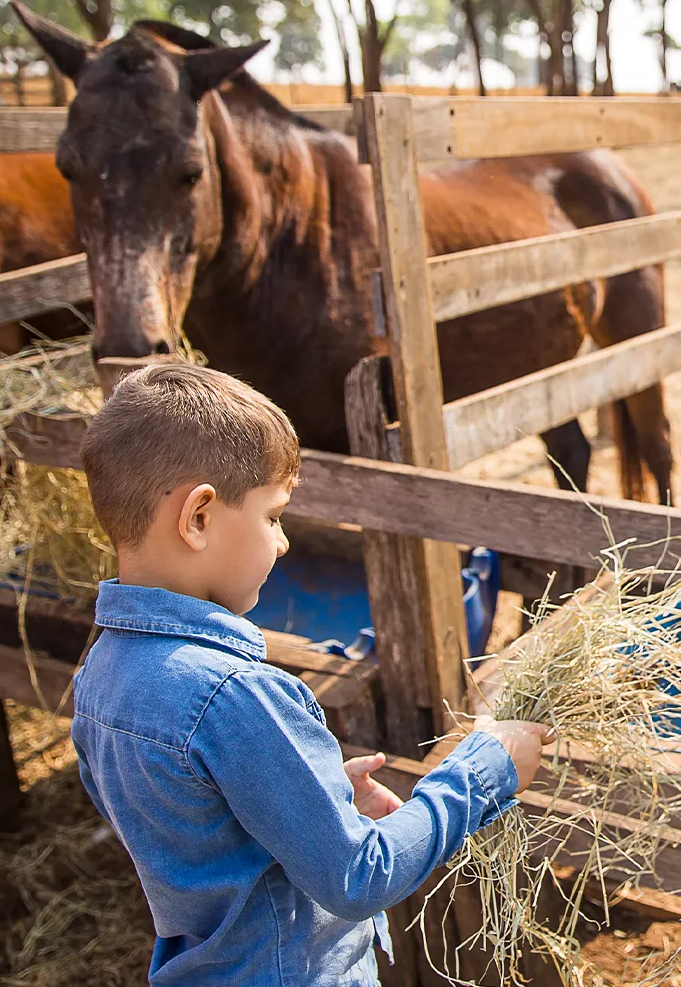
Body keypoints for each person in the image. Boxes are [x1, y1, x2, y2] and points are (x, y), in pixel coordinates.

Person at [72, 363, 552, 986]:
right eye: (273, 516)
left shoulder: (99, 677)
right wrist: (484, 770)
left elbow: (165, 817)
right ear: (198, 518)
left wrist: (304, 796)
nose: (283, 543)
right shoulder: (233, 696)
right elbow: (359, 876)